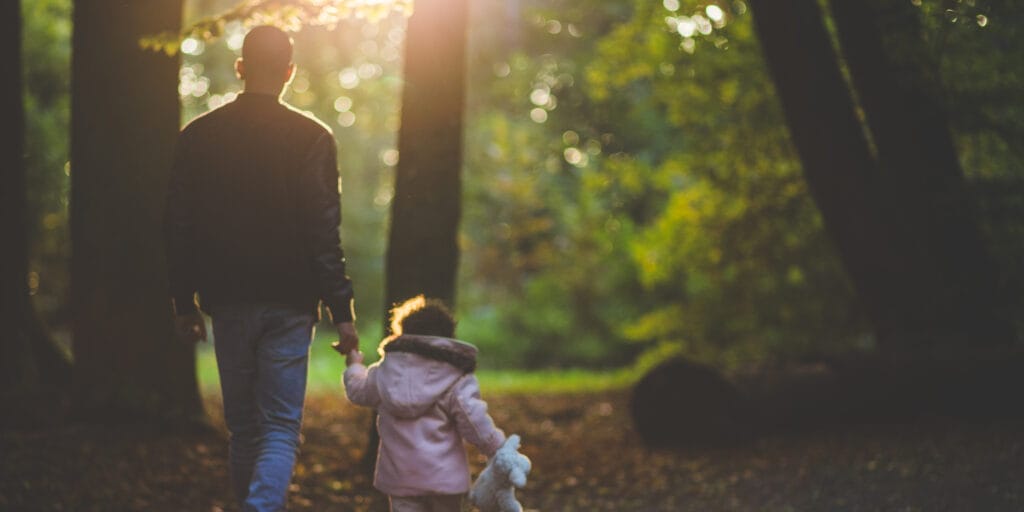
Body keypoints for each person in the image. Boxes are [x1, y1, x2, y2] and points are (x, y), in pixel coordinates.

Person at [163, 25, 359, 512]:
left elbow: (178, 226)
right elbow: (323, 231)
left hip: (227, 301)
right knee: (278, 429)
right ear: (290, 72)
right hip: (291, 303)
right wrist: (342, 311)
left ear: (240, 68)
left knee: (245, 430)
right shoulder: (313, 138)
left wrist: (183, 302)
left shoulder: (199, 136)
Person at [340, 296, 507, 512]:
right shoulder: (456, 376)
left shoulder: (385, 372)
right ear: (449, 337)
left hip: (401, 477)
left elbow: (357, 391)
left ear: (402, 333)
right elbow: (473, 420)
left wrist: (354, 366)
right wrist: (497, 448)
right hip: (445, 478)